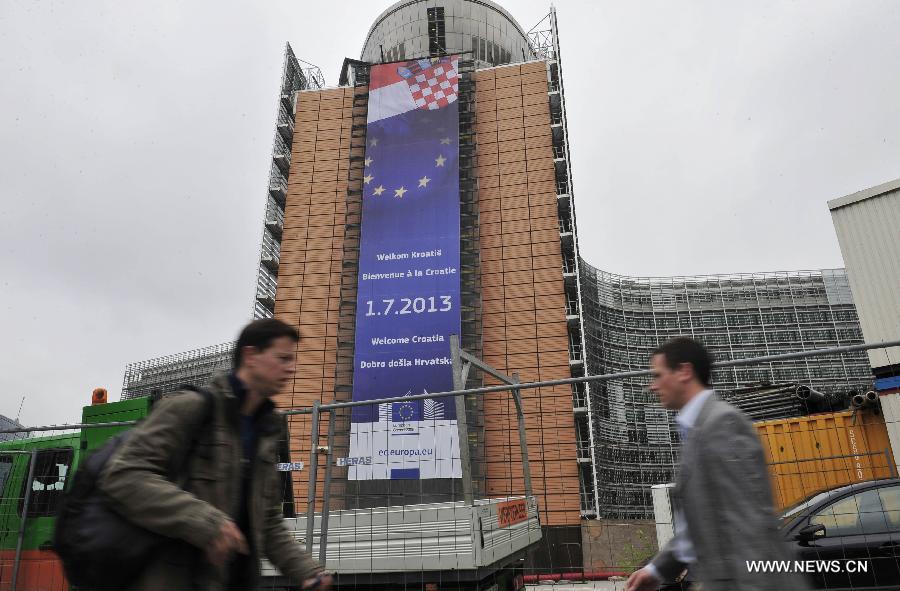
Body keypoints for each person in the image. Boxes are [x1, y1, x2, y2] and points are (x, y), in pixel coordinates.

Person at [99, 319, 332, 591]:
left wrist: (307, 571)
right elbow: (123, 475)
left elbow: (266, 522)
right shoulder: (190, 408)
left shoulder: (267, 431)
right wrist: (206, 523)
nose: (291, 368)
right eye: (283, 358)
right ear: (251, 356)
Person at [626, 337, 806, 591]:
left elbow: (748, 524)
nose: (652, 386)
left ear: (684, 372)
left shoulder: (723, 424)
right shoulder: (698, 429)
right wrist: (656, 569)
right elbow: (701, 523)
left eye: (658, 374)